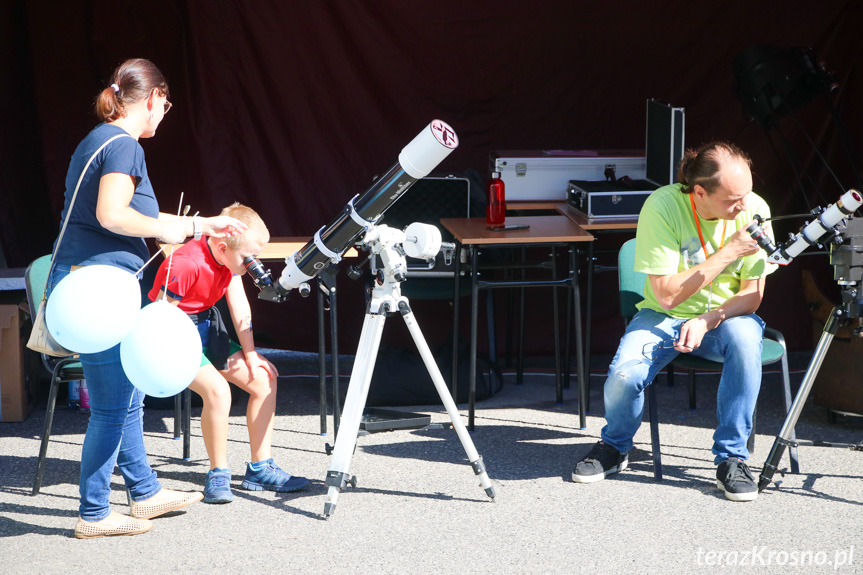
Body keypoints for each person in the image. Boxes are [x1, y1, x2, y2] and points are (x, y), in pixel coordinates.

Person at [47, 58, 248, 538]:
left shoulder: (100, 140)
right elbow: (113, 214)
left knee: (127, 393)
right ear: (154, 97)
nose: (165, 112)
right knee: (115, 406)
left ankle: (145, 492)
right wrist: (180, 226)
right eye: (166, 103)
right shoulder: (123, 146)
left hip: (90, 288)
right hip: (98, 292)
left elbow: (121, 217)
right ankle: (93, 513)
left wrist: (191, 228)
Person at [571, 142, 777, 502]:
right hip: (664, 314)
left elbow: (753, 296)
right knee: (624, 375)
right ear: (700, 192)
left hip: (726, 316)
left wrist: (709, 318)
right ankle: (615, 446)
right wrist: (728, 251)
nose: (745, 206)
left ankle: (732, 458)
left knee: (746, 340)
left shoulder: (755, 208)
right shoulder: (663, 205)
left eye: (747, 194)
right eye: (733, 199)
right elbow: (666, 295)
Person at [148, 203, 309, 503]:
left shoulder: (228, 261)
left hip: (207, 328)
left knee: (264, 380)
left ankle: (260, 468)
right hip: (173, 332)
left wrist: (251, 355)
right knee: (219, 393)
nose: (254, 264)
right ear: (222, 247)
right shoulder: (186, 263)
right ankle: (217, 472)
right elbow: (161, 319)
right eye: (249, 258)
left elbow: (240, 308)